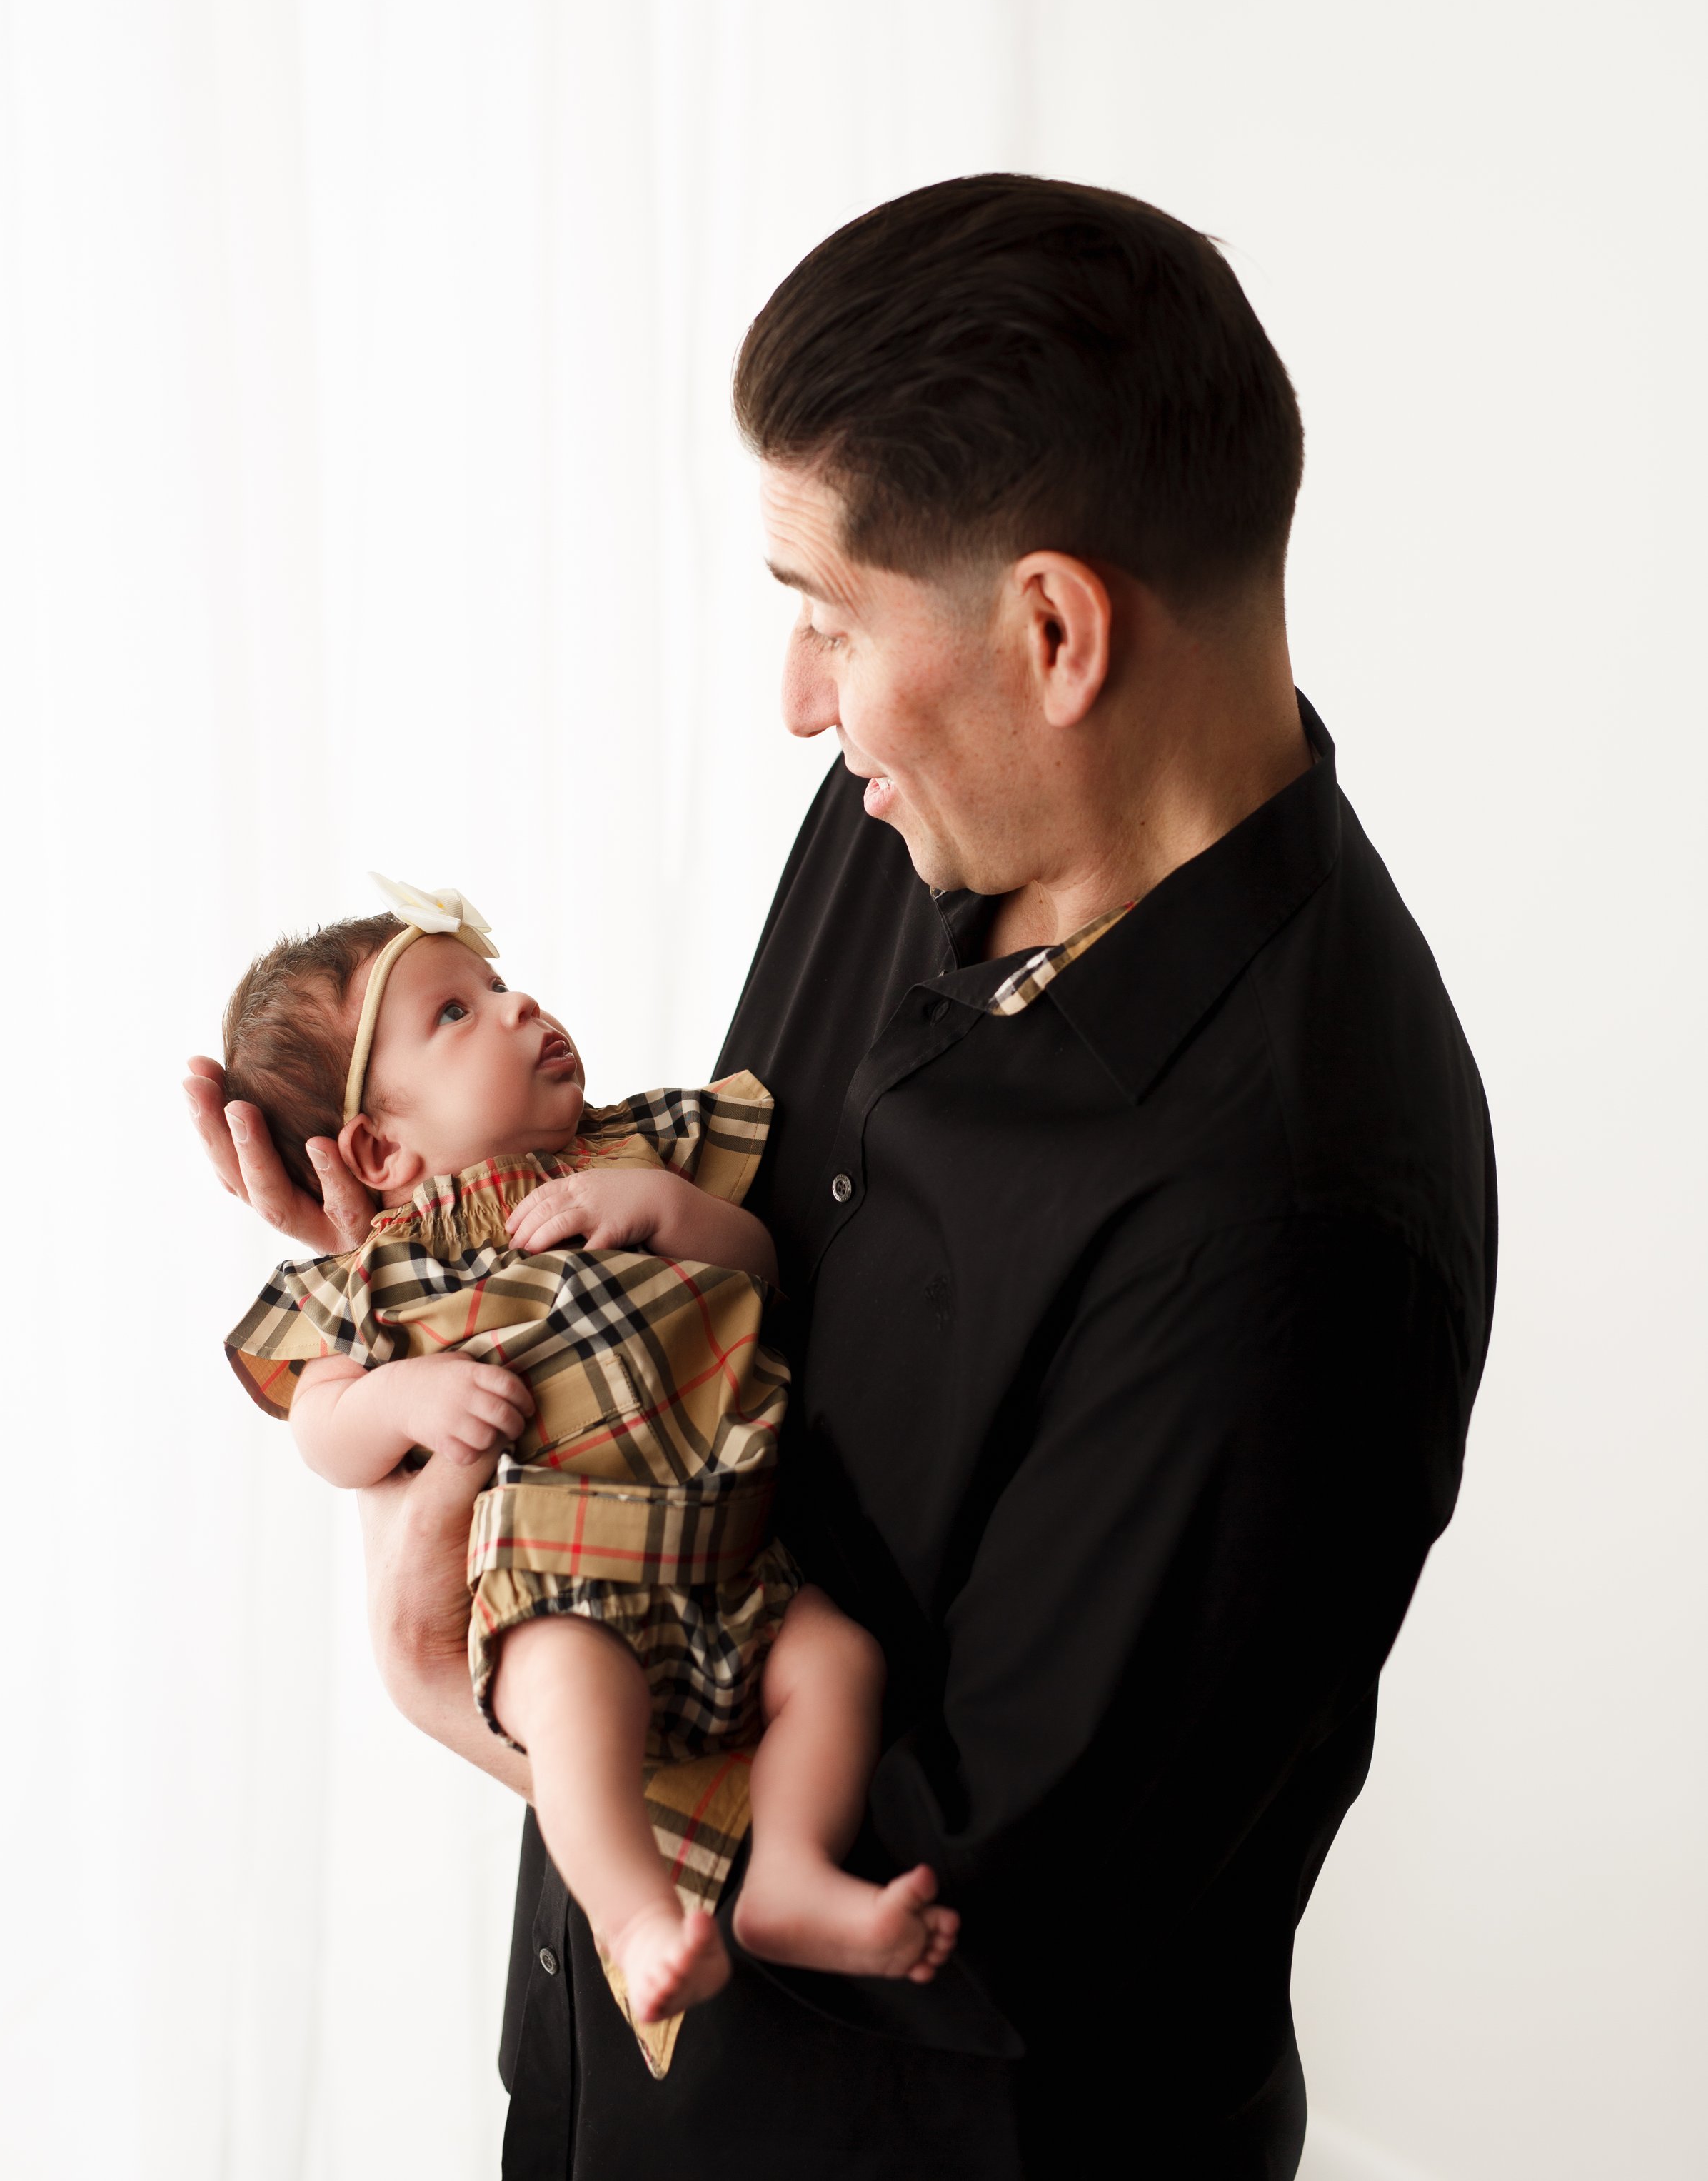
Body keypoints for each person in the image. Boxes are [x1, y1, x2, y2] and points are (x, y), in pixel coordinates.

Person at [187, 174, 1496, 2177]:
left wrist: (476, 1692)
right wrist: (436, 1263)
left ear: (1052, 629)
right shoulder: (915, 809)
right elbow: (724, 1293)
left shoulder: (1294, 1216)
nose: (799, 696)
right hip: (611, 2096)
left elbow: (982, 1916)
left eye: (823, 613)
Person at [215, 881, 957, 2036]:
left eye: (500, 987)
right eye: (455, 1015)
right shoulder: (386, 1272)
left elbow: (764, 1265)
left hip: (734, 1564)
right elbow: (322, 1426)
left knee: (839, 1663)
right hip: (561, 1581)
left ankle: (793, 1876)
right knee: (569, 1712)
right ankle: (637, 1914)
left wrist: (663, 1207)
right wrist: (405, 1393)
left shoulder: (639, 1153)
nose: (518, 1010)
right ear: (375, 1146)